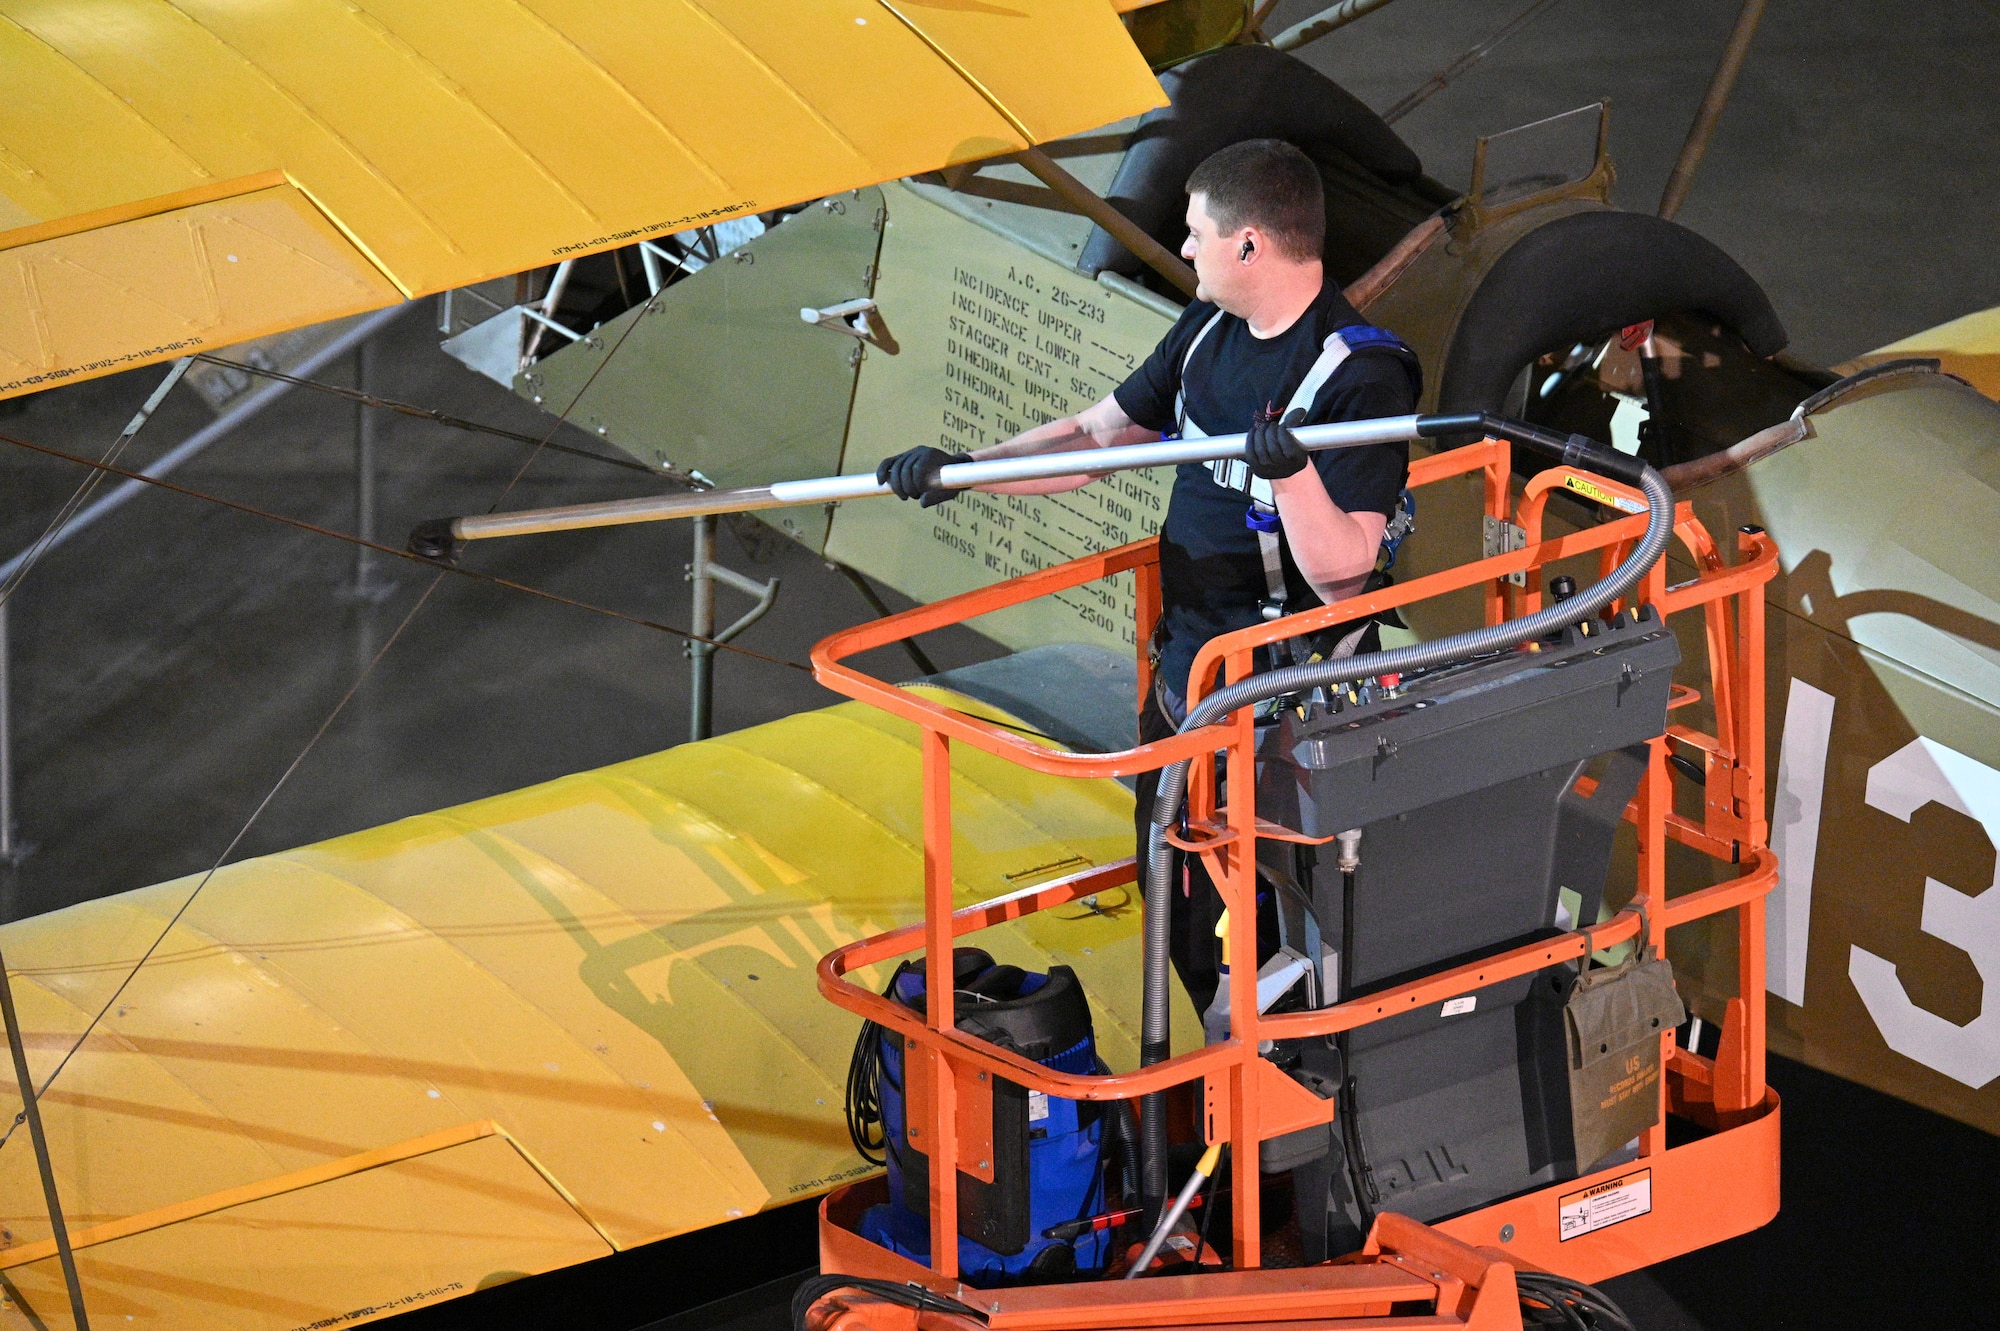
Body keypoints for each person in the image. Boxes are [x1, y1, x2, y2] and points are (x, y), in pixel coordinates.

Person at [875, 139, 1420, 1013]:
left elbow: (1347, 571)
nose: (1187, 247)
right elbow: (1097, 438)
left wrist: (1291, 473)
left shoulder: (1359, 374)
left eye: (1199, 232)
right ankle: (1212, 1092)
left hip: (1283, 718)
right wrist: (965, 468)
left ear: (1251, 244)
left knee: (1287, 958)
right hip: (1184, 691)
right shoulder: (1208, 329)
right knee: (1176, 911)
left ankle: (1279, 1117)